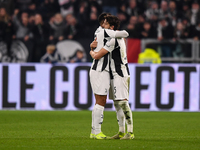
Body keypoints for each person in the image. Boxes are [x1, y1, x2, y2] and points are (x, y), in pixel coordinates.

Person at [90, 15, 134, 140]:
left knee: (122, 102)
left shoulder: (113, 39)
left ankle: (129, 132)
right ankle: (117, 131)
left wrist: (92, 51)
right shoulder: (104, 33)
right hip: (109, 73)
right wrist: (92, 48)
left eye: (105, 23)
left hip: (120, 74)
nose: (102, 25)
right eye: (102, 23)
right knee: (115, 103)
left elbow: (97, 55)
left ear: (112, 27)